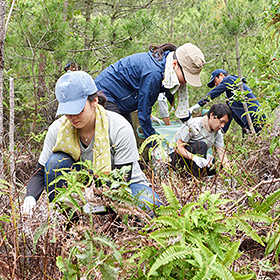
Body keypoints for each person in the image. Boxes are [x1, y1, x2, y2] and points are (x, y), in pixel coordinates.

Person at [21, 71, 162, 215]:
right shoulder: (58, 129)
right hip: (81, 187)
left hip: (126, 185)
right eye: (67, 111)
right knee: (55, 162)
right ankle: (68, 220)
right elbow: (39, 172)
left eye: (78, 110)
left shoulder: (119, 127)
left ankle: (109, 220)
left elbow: (122, 180)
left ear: (94, 101)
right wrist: (30, 197)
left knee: (150, 207)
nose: (72, 117)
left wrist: (95, 201)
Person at [94, 43, 205, 143]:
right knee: (118, 137)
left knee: (128, 137)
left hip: (122, 100)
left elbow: (171, 94)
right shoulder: (153, 73)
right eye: (186, 76)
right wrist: (154, 142)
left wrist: (188, 120)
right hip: (105, 94)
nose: (186, 81)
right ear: (175, 64)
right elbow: (143, 111)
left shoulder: (167, 69)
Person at [189, 69, 265, 134]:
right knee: (247, 144)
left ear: (221, 75)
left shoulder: (229, 79)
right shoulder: (231, 94)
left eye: (215, 81)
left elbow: (214, 93)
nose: (216, 85)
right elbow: (228, 116)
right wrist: (221, 133)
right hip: (248, 123)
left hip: (255, 118)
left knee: (250, 145)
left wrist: (198, 105)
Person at [169, 103, 231, 179]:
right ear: (212, 115)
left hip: (196, 158)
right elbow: (178, 147)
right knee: (201, 145)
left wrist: (228, 169)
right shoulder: (193, 124)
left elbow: (221, 152)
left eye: (225, 123)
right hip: (175, 158)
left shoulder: (217, 132)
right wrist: (194, 158)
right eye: (221, 122)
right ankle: (196, 181)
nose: (222, 126)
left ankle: (194, 176)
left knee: (218, 165)